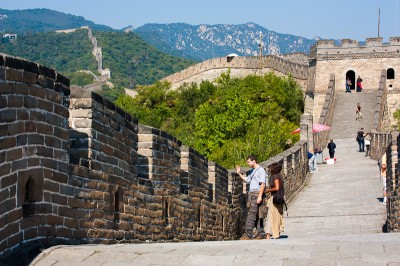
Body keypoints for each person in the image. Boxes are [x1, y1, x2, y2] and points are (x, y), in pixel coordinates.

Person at [236, 155, 267, 240]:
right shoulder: (252, 171)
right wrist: (239, 173)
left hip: (257, 194)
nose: (248, 164)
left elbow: (263, 184)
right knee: (257, 214)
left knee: (251, 214)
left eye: (249, 162)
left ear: (254, 161)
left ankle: (248, 234)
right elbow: (247, 179)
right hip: (252, 194)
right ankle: (261, 233)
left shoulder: (261, 170)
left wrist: (260, 196)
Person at [264, 162, 285, 239]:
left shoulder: (275, 176)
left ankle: (268, 235)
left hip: (275, 199)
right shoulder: (279, 176)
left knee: (271, 216)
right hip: (279, 198)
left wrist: (268, 190)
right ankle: (276, 233)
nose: (269, 169)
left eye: (271, 168)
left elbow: (277, 188)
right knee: (277, 216)